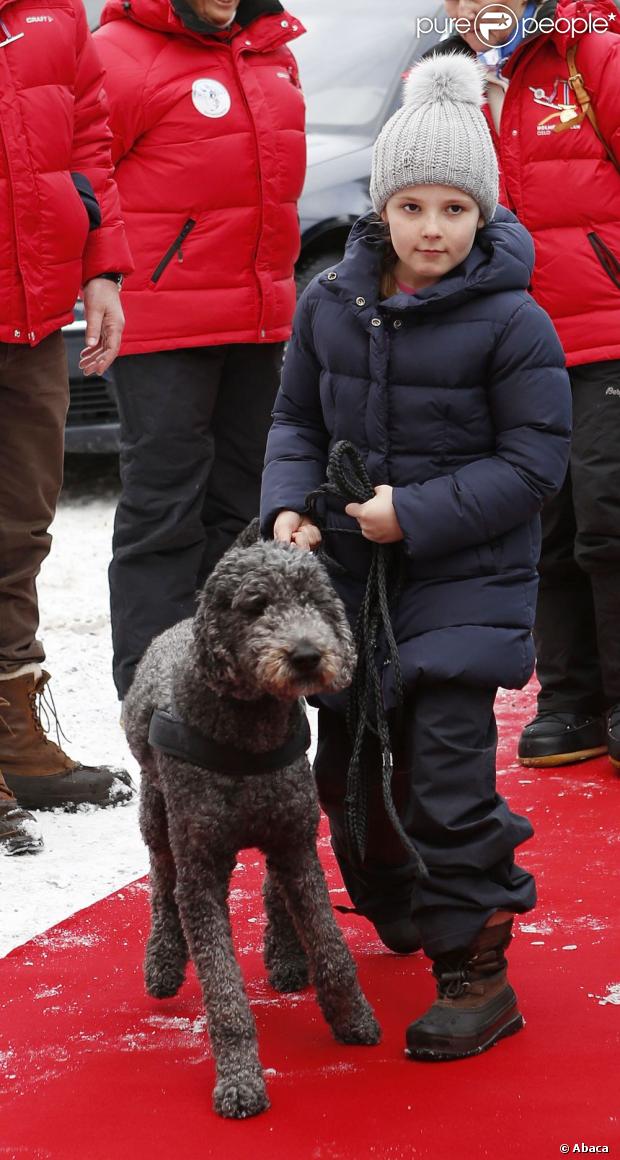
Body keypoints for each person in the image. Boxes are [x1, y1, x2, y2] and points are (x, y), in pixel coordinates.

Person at [260, 54, 572, 1060]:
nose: (430, 228)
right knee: (348, 768)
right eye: (410, 205)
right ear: (379, 208)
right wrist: (289, 507)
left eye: (451, 206)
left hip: (463, 580)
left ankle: (474, 967)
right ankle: (396, 899)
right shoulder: (326, 302)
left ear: (480, 213)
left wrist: (418, 512)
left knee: (441, 769)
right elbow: (294, 419)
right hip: (351, 580)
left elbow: (531, 464)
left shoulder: (514, 323)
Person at [92, 0, 306, 704]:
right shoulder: (118, 51)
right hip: (161, 326)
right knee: (165, 509)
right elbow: (84, 177)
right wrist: (110, 278)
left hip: (258, 322)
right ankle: (155, 693)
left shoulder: (272, 50)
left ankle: (236, 683)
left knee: (244, 504)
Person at [431, 0, 620, 769]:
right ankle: (571, 701)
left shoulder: (593, 54)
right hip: (507, 350)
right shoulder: (439, 84)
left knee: (610, 513)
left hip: (607, 327)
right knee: (545, 525)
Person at [0, 0, 135, 857]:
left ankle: (14, 739)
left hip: (31, 313)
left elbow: (89, 144)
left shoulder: (55, 13)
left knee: (21, 527)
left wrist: (103, 269)